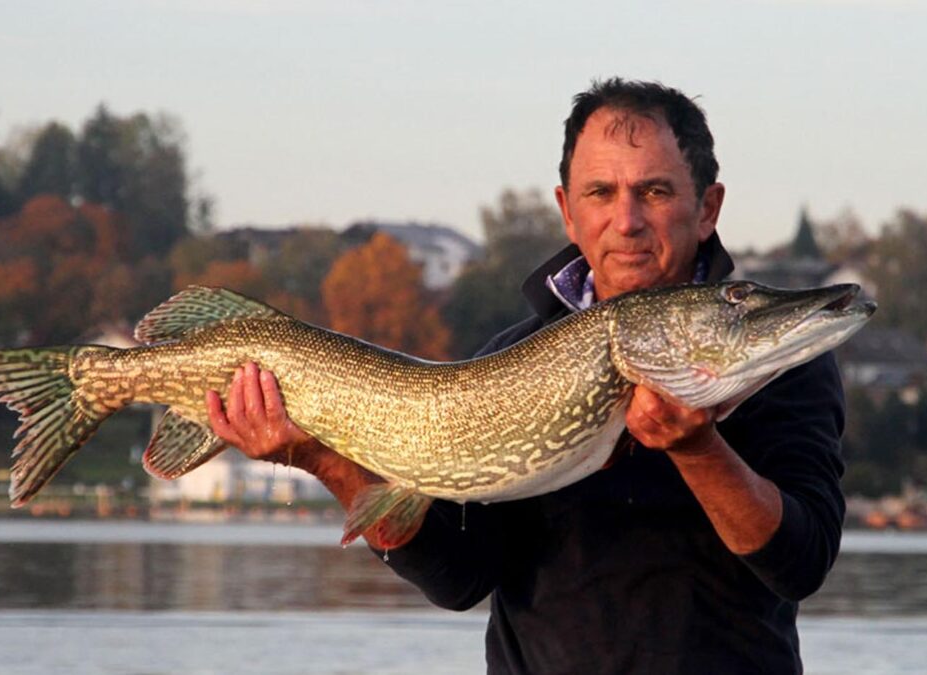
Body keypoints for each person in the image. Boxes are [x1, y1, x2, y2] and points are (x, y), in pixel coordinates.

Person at [206, 78, 845, 674]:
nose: (626, 221)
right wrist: (323, 459)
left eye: (654, 191)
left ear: (707, 208)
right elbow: (459, 578)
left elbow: (802, 563)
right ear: (569, 212)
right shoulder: (510, 355)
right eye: (601, 193)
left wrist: (698, 448)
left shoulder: (779, 363)